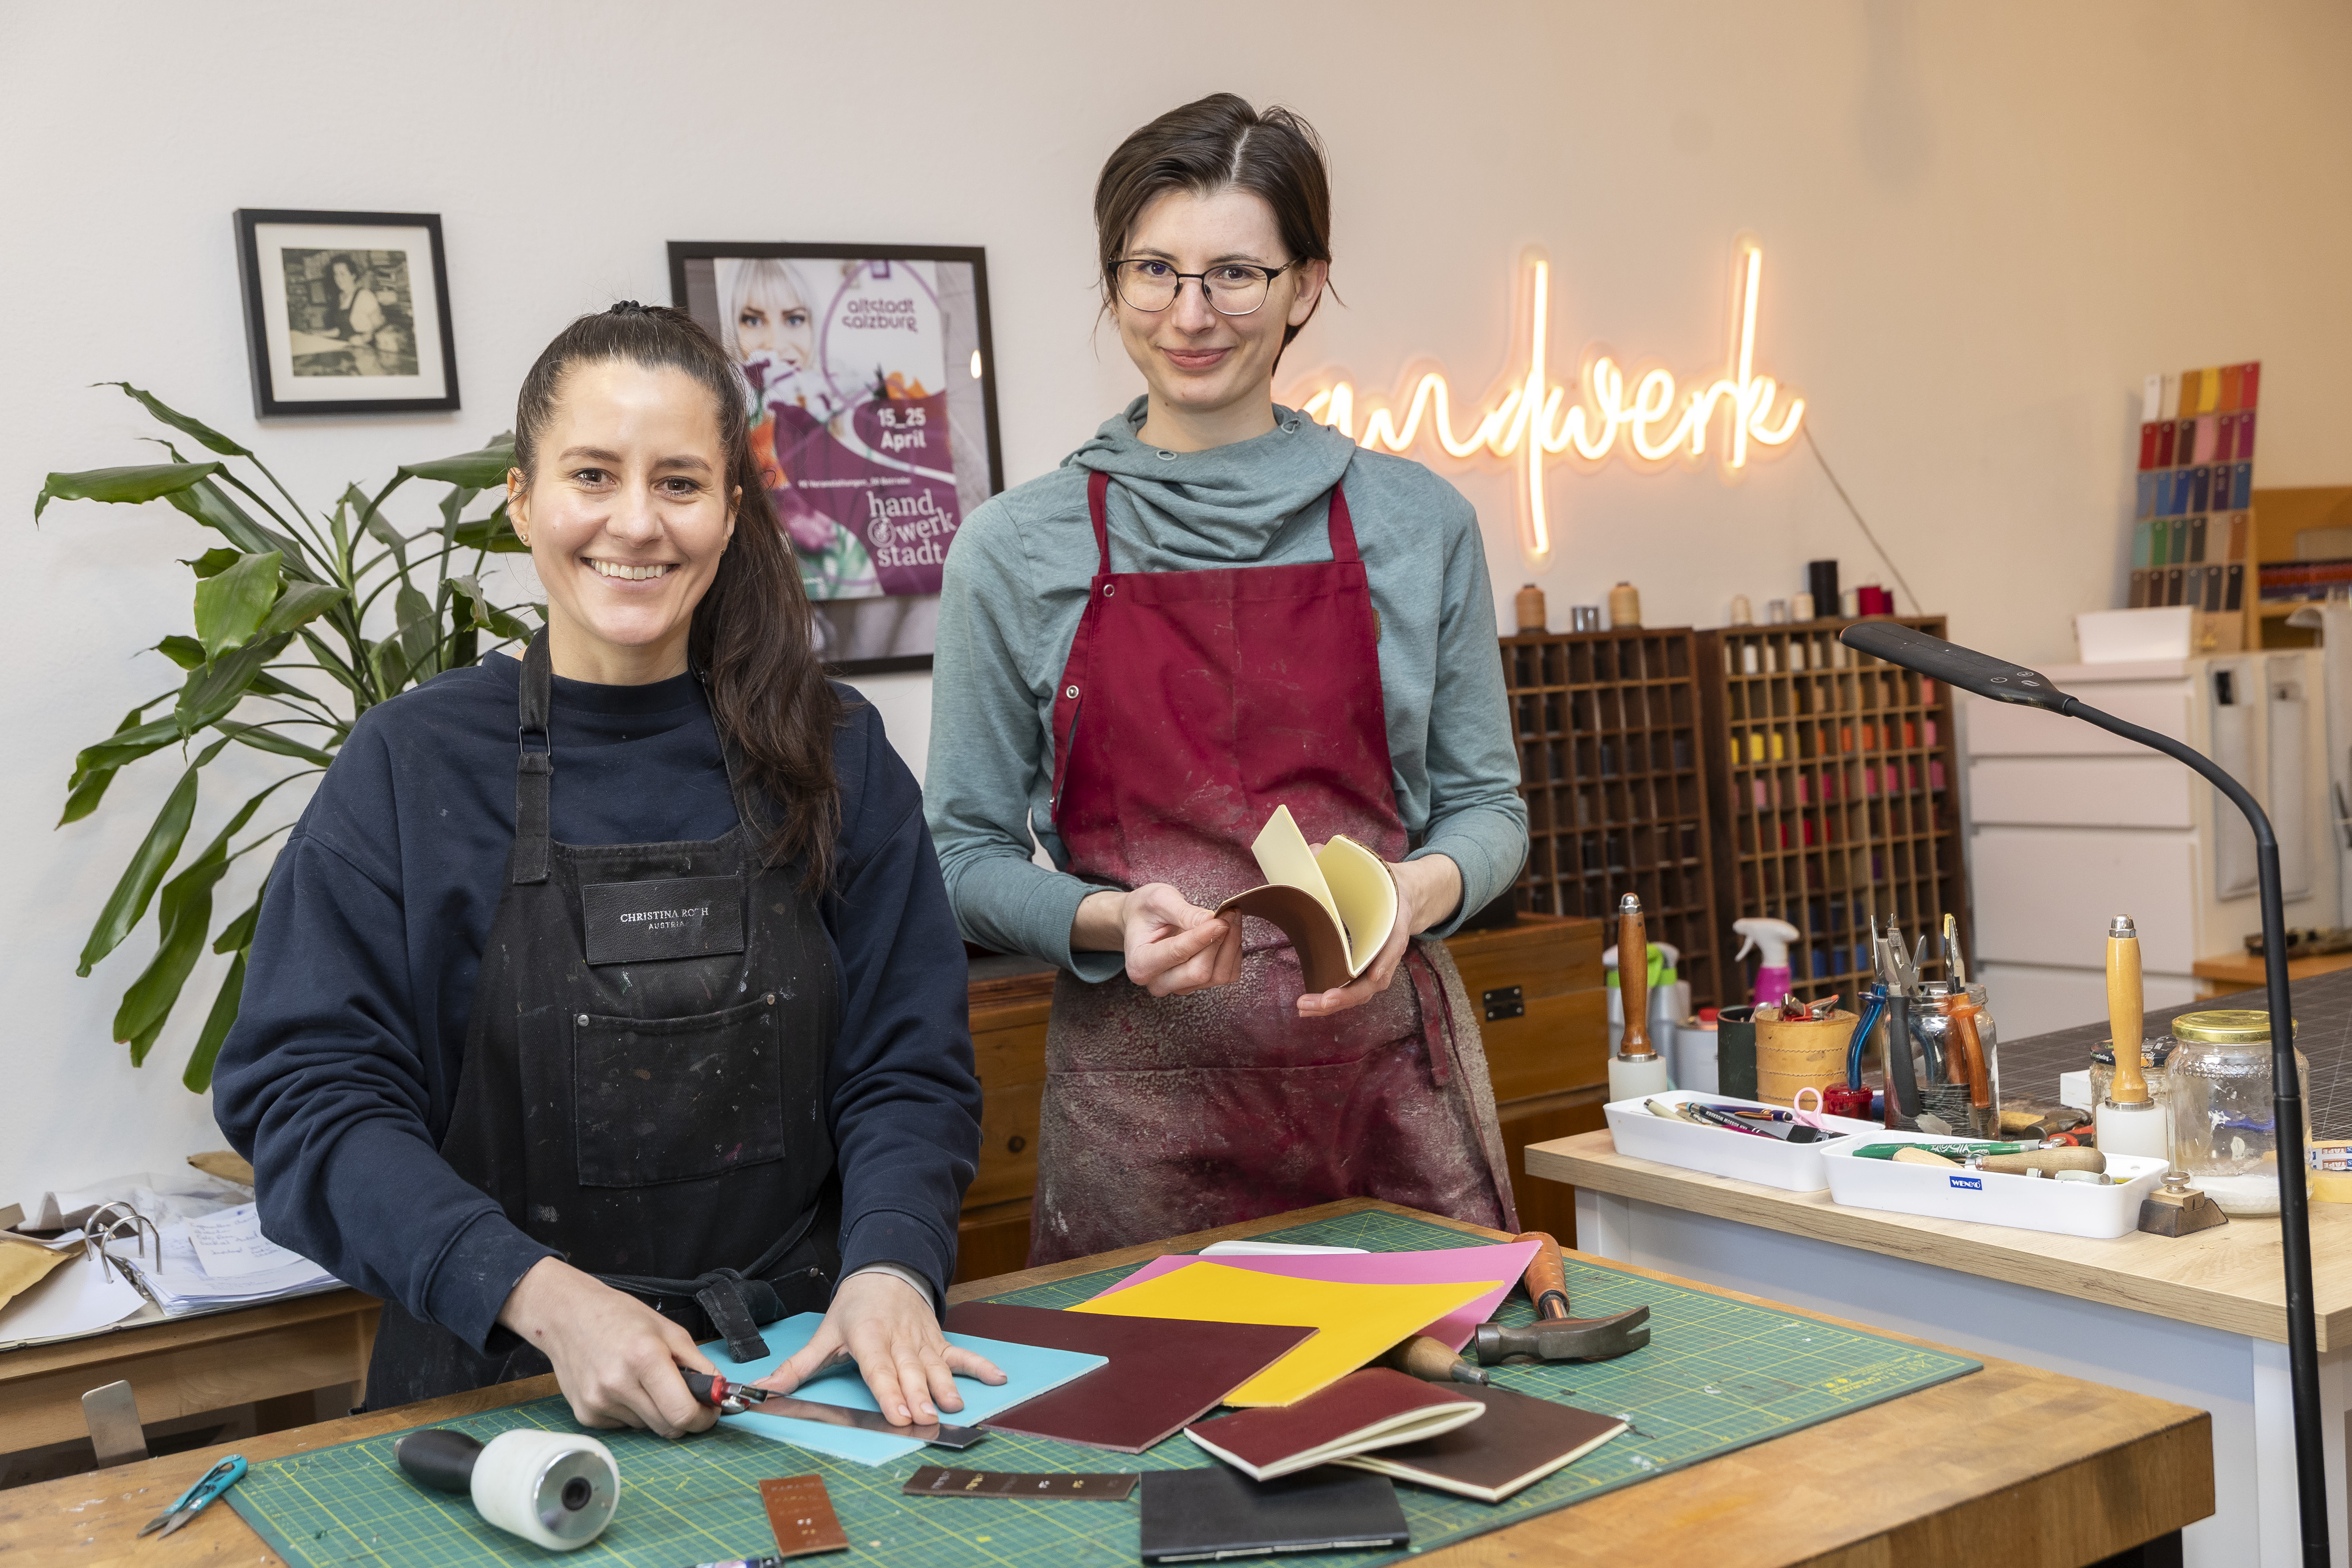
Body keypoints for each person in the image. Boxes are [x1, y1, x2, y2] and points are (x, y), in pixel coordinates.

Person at [213, 301, 996, 1437]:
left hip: (797, 1377)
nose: (636, 522)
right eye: (592, 475)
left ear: (730, 511)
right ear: (521, 499)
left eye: (679, 482)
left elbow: (907, 1065)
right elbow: (305, 1098)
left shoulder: (835, 751)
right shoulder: (408, 765)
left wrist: (891, 1265)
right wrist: (538, 1295)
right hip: (498, 1390)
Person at [927, 94, 1530, 1266]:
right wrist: (1106, 919)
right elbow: (960, 859)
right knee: (1165, 1388)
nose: (1190, 315)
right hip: (1142, 1120)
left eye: (1236, 275)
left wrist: (1416, 892)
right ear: (1114, 283)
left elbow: (1488, 810)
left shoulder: (1418, 524)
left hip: (1388, 1099)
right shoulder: (1016, 548)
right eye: (1154, 271)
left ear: (1306, 286)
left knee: (1448, 1383)